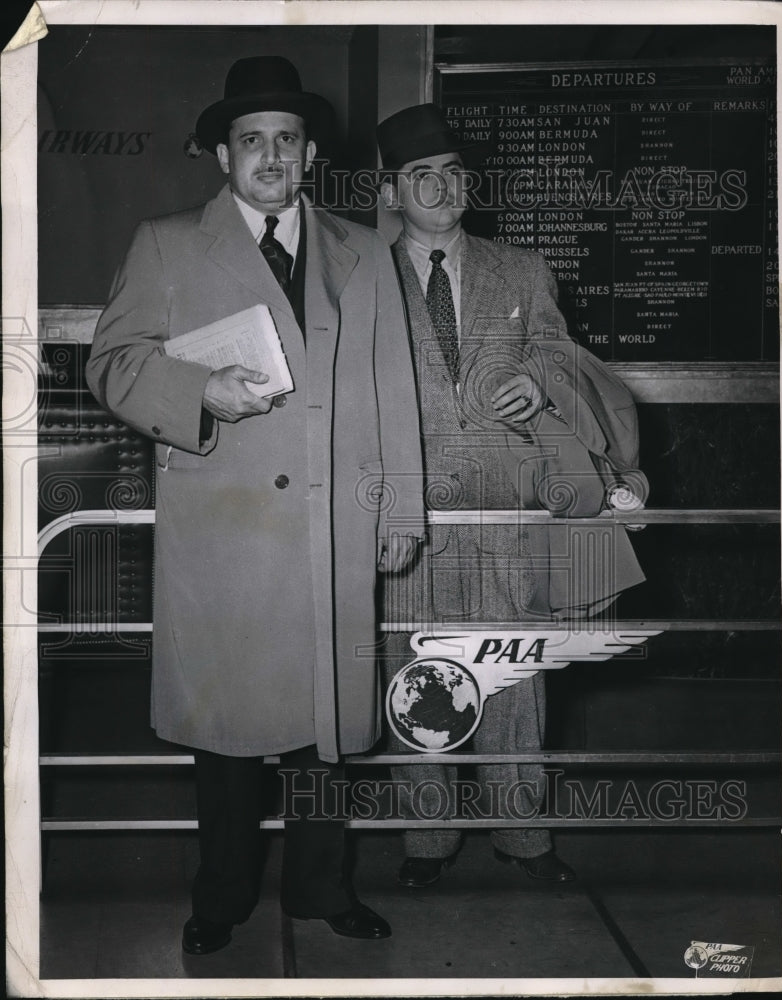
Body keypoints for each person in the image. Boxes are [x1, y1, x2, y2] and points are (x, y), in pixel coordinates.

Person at [86, 57, 424, 954]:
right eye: (250, 141)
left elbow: (394, 389)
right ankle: (222, 898)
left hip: (333, 531)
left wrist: (400, 513)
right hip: (225, 535)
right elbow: (112, 363)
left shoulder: (365, 251)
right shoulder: (165, 242)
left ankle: (321, 890)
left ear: (309, 154)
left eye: (286, 139)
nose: (270, 156)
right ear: (221, 156)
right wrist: (197, 391)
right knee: (228, 741)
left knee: (328, 739)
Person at [376, 103, 648, 888]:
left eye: (453, 174)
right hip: (409, 506)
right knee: (414, 675)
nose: (441, 188)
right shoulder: (359, 281)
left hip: (509, 506)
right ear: (393, 190)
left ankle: (524, 835)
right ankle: (426, 842)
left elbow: (563, 354)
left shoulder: (522, 269)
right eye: (421, 176)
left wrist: (538, 377)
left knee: (515, 673)